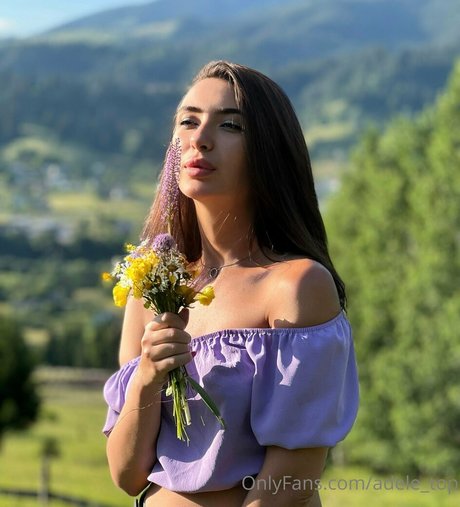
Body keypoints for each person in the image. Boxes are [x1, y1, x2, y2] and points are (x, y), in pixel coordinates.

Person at [103, 60, 359, 507]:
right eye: (188, 121)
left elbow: (293, 478)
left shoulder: (296, 286)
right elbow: (126, 476)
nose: (200, 138)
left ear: (269, 152)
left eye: (230, 126)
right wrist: (147, 375)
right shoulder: (154, 283)